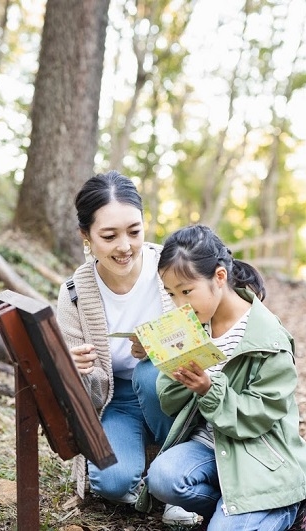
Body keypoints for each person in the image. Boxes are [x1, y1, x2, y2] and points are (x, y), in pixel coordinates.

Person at [143, 224, 306, 530]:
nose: (179, 303)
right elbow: (170, 404)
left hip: (260, 455)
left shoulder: (269, 339)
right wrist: (175, 372)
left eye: (187, 291)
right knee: (162, 479)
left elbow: (259, 416)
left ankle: (288, 506)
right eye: (172, 294)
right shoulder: (194, 323)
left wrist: (210, 389)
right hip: (211, 446)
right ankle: (235, 508)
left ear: (219, 277)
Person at [55, 170, 199, 526]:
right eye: (109, 235)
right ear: (85, 237)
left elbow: (210, 334)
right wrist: (72, 369)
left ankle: (177, 484)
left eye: (134, 232)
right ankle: (145, 485)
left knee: (151, 374)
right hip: (115, 399)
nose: (125, 246)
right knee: (111, 481)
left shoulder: (171, 267)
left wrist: (161, 347)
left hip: (172, 387)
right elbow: (82, 400)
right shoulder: (74, 293)